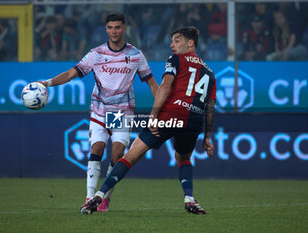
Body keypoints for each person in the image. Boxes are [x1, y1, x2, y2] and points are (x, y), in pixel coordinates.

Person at [81, 26, 216, 215]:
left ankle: (98, 196)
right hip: (193, 121)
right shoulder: (209, 72)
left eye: (177, 40)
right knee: (183, 157)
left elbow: (166, 85)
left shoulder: (176, 59)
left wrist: (153, 115)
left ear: (190, 42)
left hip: (170, 116)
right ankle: (189, 199)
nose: (172, 45)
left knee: (130, 156)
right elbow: (210, 106)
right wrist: (207, 136)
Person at [38, 12, 158, 212]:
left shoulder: (136, 55)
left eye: (118, 27)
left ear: (124, 28)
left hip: (122, 112)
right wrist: (47, 83)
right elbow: (71, 73)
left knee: (117, 154)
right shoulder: (96, 54)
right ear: (106, 29)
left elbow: (153, 84)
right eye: (110, 27)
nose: (114, 31)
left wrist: (161, 109)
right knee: (96, 150)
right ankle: (89, 197)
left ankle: (105, 197)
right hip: (99, 110)